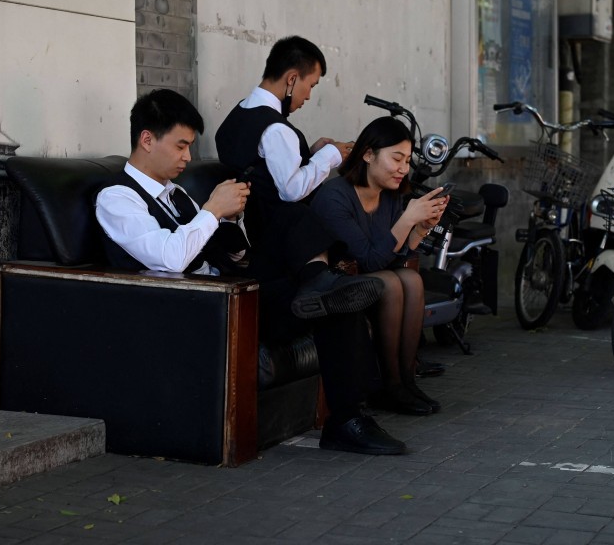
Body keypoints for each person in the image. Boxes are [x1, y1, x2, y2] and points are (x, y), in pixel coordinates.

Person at [98, 88, 404, 456]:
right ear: (147, 140)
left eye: (189, 147)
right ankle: (320, 290)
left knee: (331, 286)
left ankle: (348, 417)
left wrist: (232, 221)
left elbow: (230, 252)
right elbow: (169, 257)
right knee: (321, 279)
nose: (187, 157)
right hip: (196, 312)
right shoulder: (117, 197)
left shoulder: (176, 194)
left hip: (232, 291)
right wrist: (212, 210)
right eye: (181, 146)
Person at [216, 36, 410, 452]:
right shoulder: (276, 128)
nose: (307, 96)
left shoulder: (235, 119)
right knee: (305, 222)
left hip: (259, 254)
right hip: (270, 262)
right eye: (310, 85)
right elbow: (289, 190)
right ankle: (349, 420)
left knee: (339, 305)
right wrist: (330, 156)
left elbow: (267, 177)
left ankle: (349, 418)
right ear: (291, 79)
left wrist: (310, 153)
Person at [311, 117, 447, 415]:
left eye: (407, 160)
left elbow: (394, 258)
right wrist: (407, 219)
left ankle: (407, 382)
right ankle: (388, 386)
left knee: (411, 279)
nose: (403, 169)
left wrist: (420, 228)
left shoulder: (390, 196)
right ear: (368, 154)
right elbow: (369, 260)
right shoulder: (335, 196)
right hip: (336, 284)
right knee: (393, 282)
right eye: (396, 158)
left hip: (371, 278)